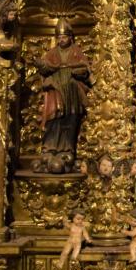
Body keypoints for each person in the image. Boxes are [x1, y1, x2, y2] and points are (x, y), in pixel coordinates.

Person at [36, 19, 91, 166]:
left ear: (70, 37)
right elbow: (44, 70)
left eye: (64, 37)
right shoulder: (52, 53)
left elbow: (85, 68)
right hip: (55, 92)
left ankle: (67, 149)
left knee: (70, 120)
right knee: (54, 119)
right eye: (59, 37)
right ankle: (49, 148)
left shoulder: (76, 51)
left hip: (72, 93)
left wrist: (78, 71)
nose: (61, 40)